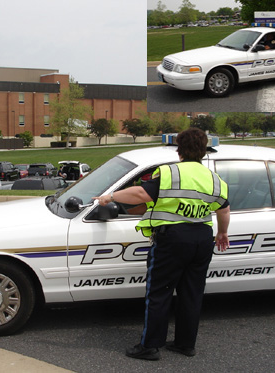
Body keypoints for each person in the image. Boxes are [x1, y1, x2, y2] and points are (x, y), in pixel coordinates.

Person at [93, 128, 230, 361]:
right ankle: (185, 344)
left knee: (159, 293)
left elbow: (140, 194)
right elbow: (224, 209)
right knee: (192, 294)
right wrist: (223, 233)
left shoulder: (170, 173)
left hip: (173, 240)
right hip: (202, 239)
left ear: (180, 151)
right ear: (203, 152)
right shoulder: (215, 180)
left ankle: (150, 346)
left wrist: (111, 197)